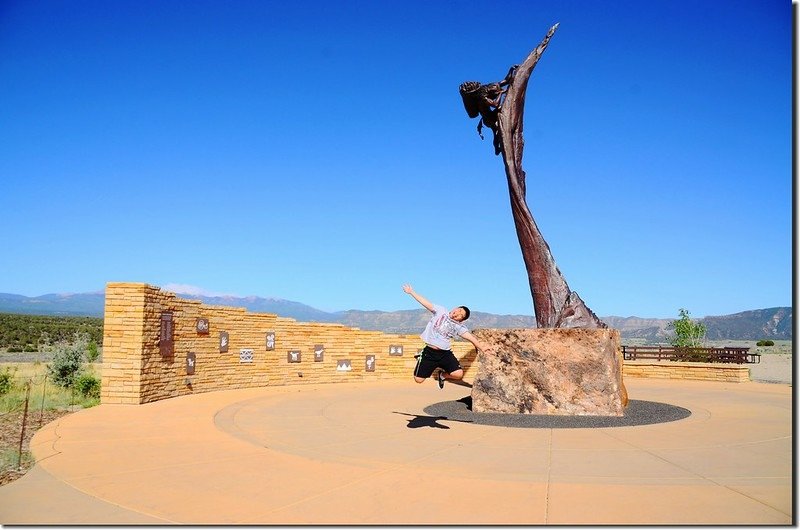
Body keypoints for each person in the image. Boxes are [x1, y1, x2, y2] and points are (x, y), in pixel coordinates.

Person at [402, 284, 494, 389]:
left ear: (461, 320)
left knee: (458, 374)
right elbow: (426, 303)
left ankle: (442, 375)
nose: (457, 313)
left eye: (461, 315)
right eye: (459, 310)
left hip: (444, 354)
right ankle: (421, 357)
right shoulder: (441, 311)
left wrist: (481, 347)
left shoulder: (458, 326)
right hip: (429, 353)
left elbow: (470, 337)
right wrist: (411, 292)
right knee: (418, 380)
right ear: (455, 308)